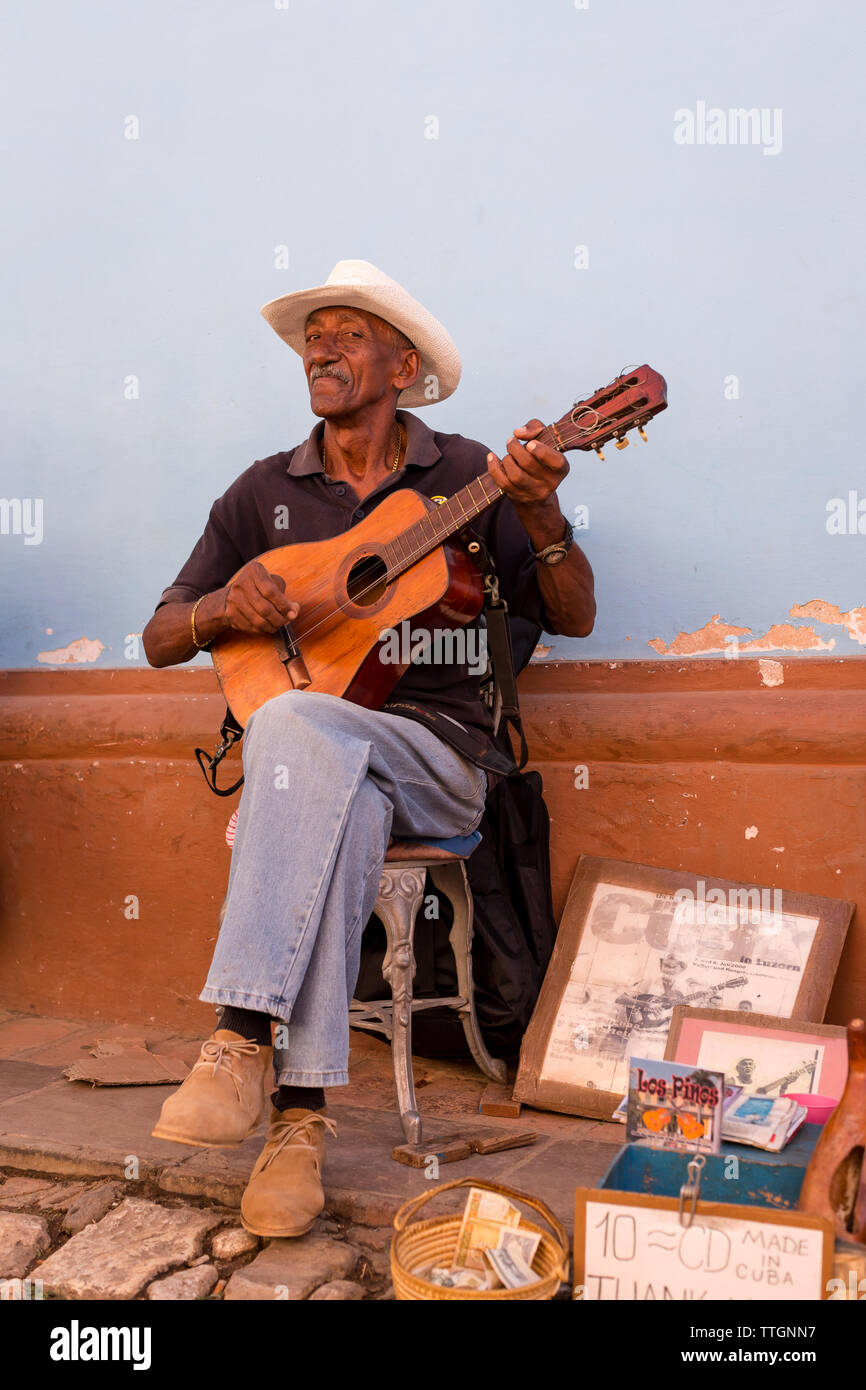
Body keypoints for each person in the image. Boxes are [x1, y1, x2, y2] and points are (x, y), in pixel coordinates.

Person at [142, 260, 596, 1237]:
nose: (321, 345)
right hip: (323, 765)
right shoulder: (260, 492)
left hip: (442, 759)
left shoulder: (467, 474)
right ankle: (298, 1132)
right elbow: (160, 633)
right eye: (314, 332)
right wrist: (224, 605)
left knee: (292, 726)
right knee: (329, 785)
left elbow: (576, 614)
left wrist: (540, 508)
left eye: (348, 331)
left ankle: (236, 1039)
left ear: (402, 362)